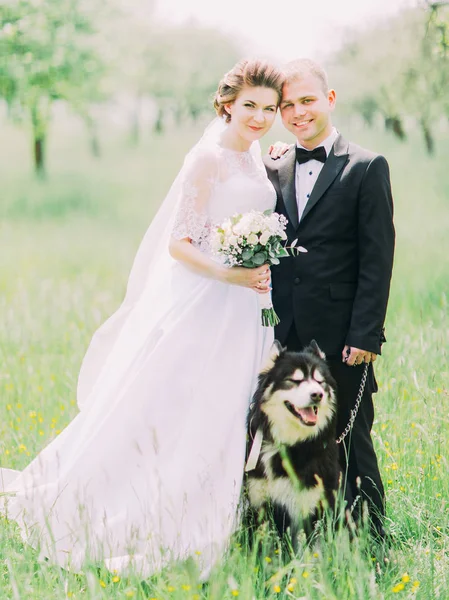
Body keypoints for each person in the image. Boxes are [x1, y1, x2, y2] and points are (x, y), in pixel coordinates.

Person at [0, 59, 284, 576]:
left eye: (269, 109)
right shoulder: (207, 159)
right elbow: (179, 244)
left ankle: (211, 513)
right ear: (227, 104)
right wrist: (231, 274)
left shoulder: (256, 158)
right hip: (206, 302)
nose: (260, 118)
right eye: (250, 107)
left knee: (224, 409)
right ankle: (141, 512)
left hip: (246, 310)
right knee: (177, 405)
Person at [265, 59, 395, 537]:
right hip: (283, 332)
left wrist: (365, 334)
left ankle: (370, 537)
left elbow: (377, 260)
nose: (298, 112)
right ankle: (299, 531)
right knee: (287, 433)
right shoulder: (274, 165)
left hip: (342, 334)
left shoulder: (365, 167)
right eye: (287, 105)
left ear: (330, 99)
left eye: (307, 101)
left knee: (350, 435)